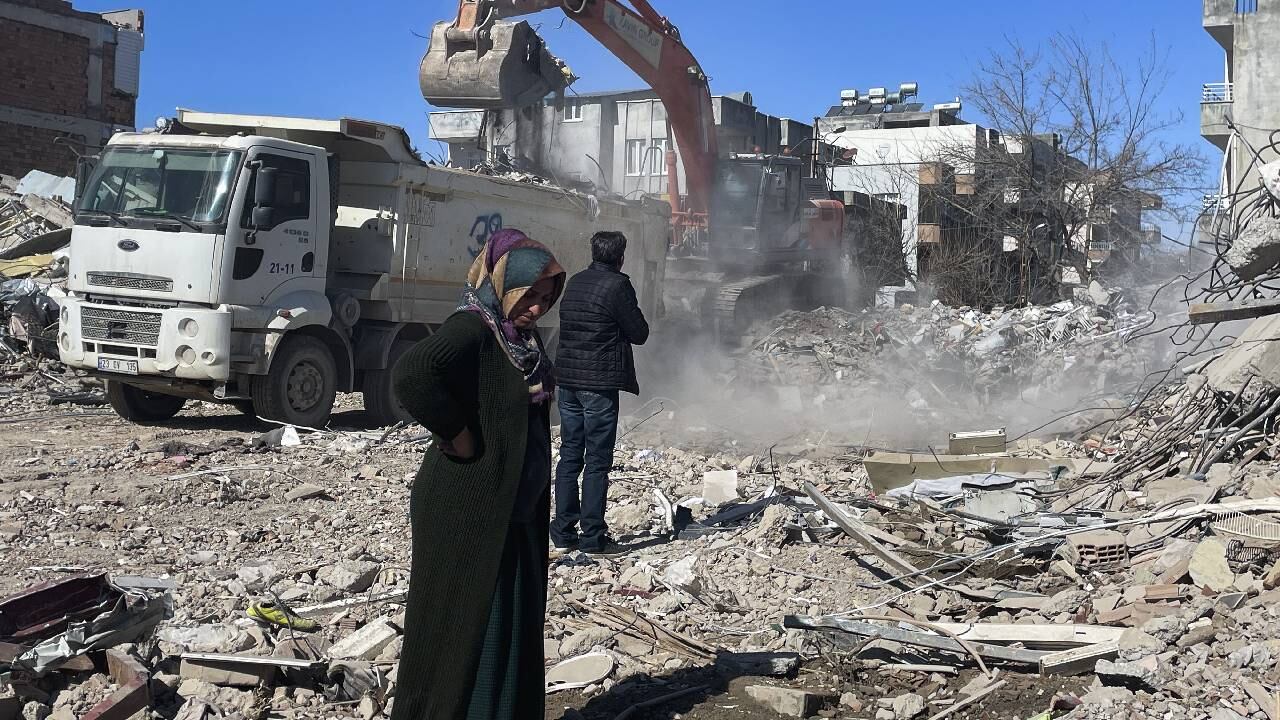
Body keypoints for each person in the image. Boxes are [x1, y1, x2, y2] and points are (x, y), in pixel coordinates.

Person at [390, 228, 564, 720]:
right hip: (469, 505)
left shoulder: (519, 337)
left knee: (510, 618)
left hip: (514, 505)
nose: (537, 307)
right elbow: (414, 373)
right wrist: (458, 435)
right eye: (528, 294)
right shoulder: (474, 327)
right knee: (466, 622)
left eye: (546, 297)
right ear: (502, 283)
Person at [551, 230, 650, 556]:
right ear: (621, 257)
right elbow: (639, 333)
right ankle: (593, 538)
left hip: (567, 382)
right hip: (598, 386)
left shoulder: (576, 281)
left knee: (569, 455)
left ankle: (563, 533)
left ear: (593, 253)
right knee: (596, 461)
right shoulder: (619, 286)